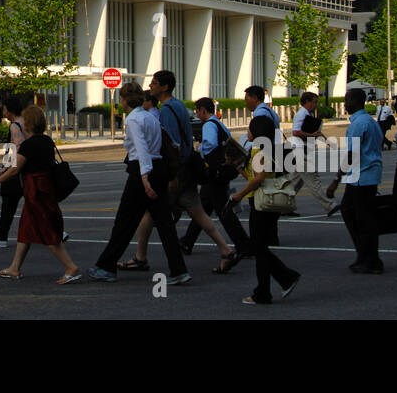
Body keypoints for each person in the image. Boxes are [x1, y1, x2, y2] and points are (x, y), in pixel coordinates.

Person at [125, 72, 232, 272]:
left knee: (151, 211)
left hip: (178, 169)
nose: (151, 86)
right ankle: (225, 249)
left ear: (164, 87)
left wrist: (171, 176)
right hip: (187, 166)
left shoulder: (166, 110)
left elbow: (171, 145)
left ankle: (141, 257)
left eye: (154, 83)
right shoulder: (179, 105)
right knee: (197, 211)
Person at [88, 85, 190, 284]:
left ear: (125, 100)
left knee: (125, 221)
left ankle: (107, 266)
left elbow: (142, 150)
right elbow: (163, 144)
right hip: (159, 167)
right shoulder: (151, 116)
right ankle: (179, 270)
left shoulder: (134, 119)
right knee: (164, 223)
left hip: (142, 171)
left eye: (121, 98)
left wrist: (144, 178)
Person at [0, 105, 81, 283]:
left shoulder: (28, 145)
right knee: (26, 228)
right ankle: (14, 268)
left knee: (46, 231)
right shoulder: (46, 140)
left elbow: (15, 170)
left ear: (28, 124)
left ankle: (70, 266)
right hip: (45, 188)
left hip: (35, 190)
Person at [233, 114, 300, 304]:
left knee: (259, 249)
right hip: (272, 202)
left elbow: (258, 178)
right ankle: (285, 278)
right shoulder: (273, 149)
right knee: (259, 247)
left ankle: (263, 292)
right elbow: (254, 175)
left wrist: (239, 194)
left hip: (261, 202)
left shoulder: (258, 151)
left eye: (249, 129)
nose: (247, 132)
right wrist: (239, 166)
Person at [180, 97, 253, 269]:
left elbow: (210, 144)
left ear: (203, 110)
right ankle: (187, 241)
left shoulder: (209, 125)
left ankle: (244, 245)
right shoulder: (219, 124)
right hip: (221, 172)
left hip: (215, 173)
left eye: (197, 111)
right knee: (203, 207)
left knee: (224, 211)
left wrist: (200, 148)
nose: (197, 114)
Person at [328, 88, 384, 274]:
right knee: (353, 214)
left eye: (347, 100)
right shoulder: (370, 121)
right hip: (366, 175)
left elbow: (352, 153)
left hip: (362, 177)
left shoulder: (358, 124)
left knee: (361, 219)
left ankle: (370, 259)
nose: (344, 103)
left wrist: (336, 180)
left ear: (356, 101)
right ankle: (365, 255)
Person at [0, 95, 27, 249]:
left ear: (9, 110)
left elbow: (16, 147)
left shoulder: (15, 126)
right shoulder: (26, 122)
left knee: (8, 203)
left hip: (17, 171)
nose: (3, 112)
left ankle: (1, 237)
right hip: (27, 170)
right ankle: (58, 232)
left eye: (4, 109)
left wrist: (7, 167)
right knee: (36, 204)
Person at [291, 92, 336, 216]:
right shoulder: (301, 114)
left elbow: (315, 132)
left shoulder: (308, 114)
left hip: (303, 150)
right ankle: (329, 205)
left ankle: (283, 206)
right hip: (301, 150)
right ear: (307, 102)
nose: (316, 105)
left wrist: (326, 141)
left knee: (294, 182)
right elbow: (296, 132)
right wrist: (312, 135)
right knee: (313, 180)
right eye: (314, 102)